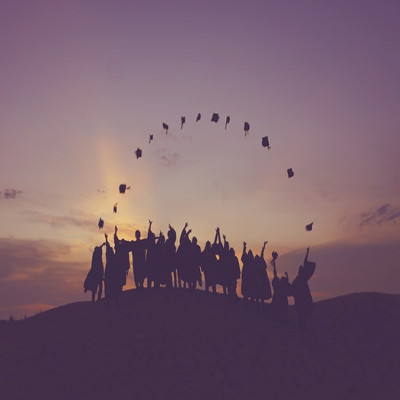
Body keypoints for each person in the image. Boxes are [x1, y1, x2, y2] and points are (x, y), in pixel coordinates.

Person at [292, 248, 316, 327]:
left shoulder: (303, 278)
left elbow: (305, 262)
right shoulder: (300, 278)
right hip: (300, 298)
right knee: (300, 312)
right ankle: (302, 324)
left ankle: (303, 324)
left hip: (303, 297)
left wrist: (307, 252)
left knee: (302, 311)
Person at [270, 251, 292, 321]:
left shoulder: (279, 286)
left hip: (279, 301)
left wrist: (287, 275)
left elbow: (275, 273)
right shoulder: (279, 286)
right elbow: (275, 272)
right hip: (279, 301)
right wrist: (274, 262)